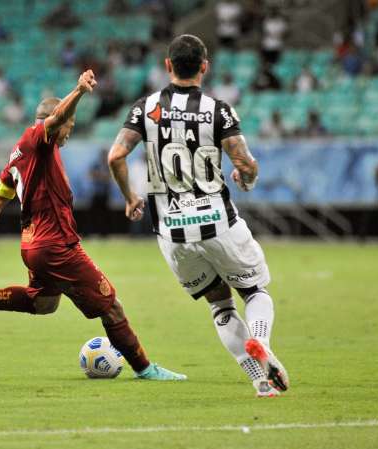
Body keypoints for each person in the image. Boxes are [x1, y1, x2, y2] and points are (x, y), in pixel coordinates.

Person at [0, 70, 185, 381]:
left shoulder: (16, 158)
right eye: (70, 126)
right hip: (56, 245)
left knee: (43, 303)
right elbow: (54, 121)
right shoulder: (38, 139)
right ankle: (145, 369)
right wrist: (79, 91)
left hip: (33, 245)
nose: (69, 132)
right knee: (112, 307)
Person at [108, 34, 289, 397]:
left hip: (171, 233)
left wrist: (130, 197)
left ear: (167, 66)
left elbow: (115, 156)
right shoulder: (217, 110)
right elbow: (244, 164)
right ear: (204, 66)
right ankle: (261, 341)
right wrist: (246, 175)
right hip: (218, 222)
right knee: (254, 291)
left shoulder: (145, 108)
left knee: (219, 305)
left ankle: (259, 380)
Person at [88, 150, 112, 236]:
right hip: (96, 193)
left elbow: (109, 178)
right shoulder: (96, 165)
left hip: (105, 194)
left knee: (105, 214)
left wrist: (99, 175)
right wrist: (102, 176)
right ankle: (92, 232)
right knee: (94, 214)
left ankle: (104, 233)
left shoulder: (109, 165)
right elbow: (90, 175)